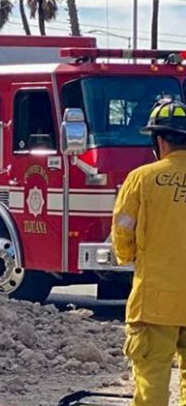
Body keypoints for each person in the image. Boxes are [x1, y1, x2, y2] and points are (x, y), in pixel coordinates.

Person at [112, 99, 186, 406]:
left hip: (156, 300)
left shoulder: (142, 179)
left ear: (159, 140)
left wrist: (127, 255)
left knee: (152, 379)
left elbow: (123, 226)